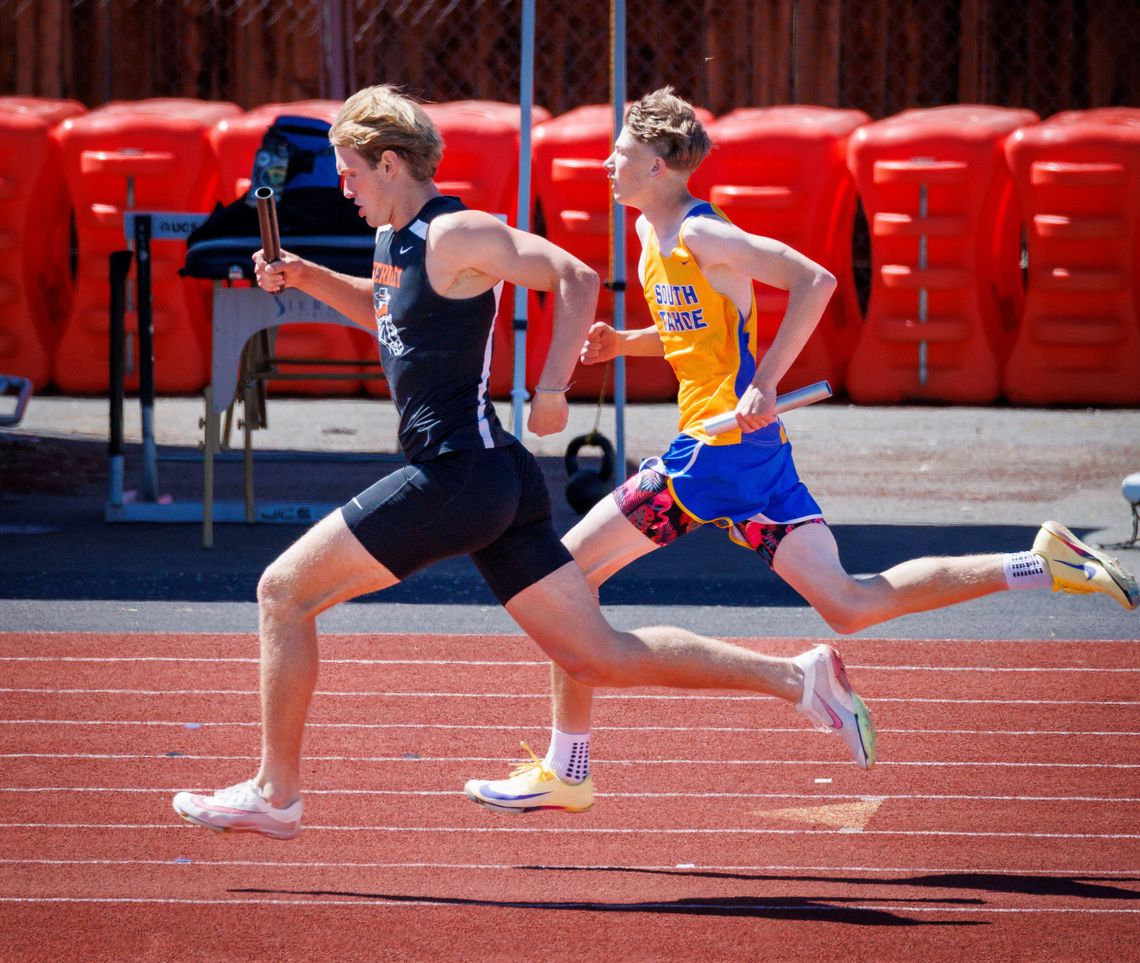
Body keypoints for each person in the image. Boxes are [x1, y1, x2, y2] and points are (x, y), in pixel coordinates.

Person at [172, 84, 876, 840]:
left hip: (458, 475)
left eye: (350, 172)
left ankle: (275, 793)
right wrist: (305, 276)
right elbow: (389, 320)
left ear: (389, 163)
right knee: (599, 655)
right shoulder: (392, 242)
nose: (343, 188)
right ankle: (796, 678)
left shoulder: (457, 232)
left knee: (283, 593)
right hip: (496, 479)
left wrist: (550, 388)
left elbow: (574, 277)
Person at [463, 86, 1139, 815]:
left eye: (620, 152)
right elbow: (697, 335)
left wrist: (765, 383)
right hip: (751, 458)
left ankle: (569, 768)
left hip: (714, 455)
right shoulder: (649, 234)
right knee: (850, 602)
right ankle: (1043, 563)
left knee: (563, 581)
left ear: (658, 165)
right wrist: (626, 344)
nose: (607, 163)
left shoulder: (702, 233)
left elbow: (816, 280)